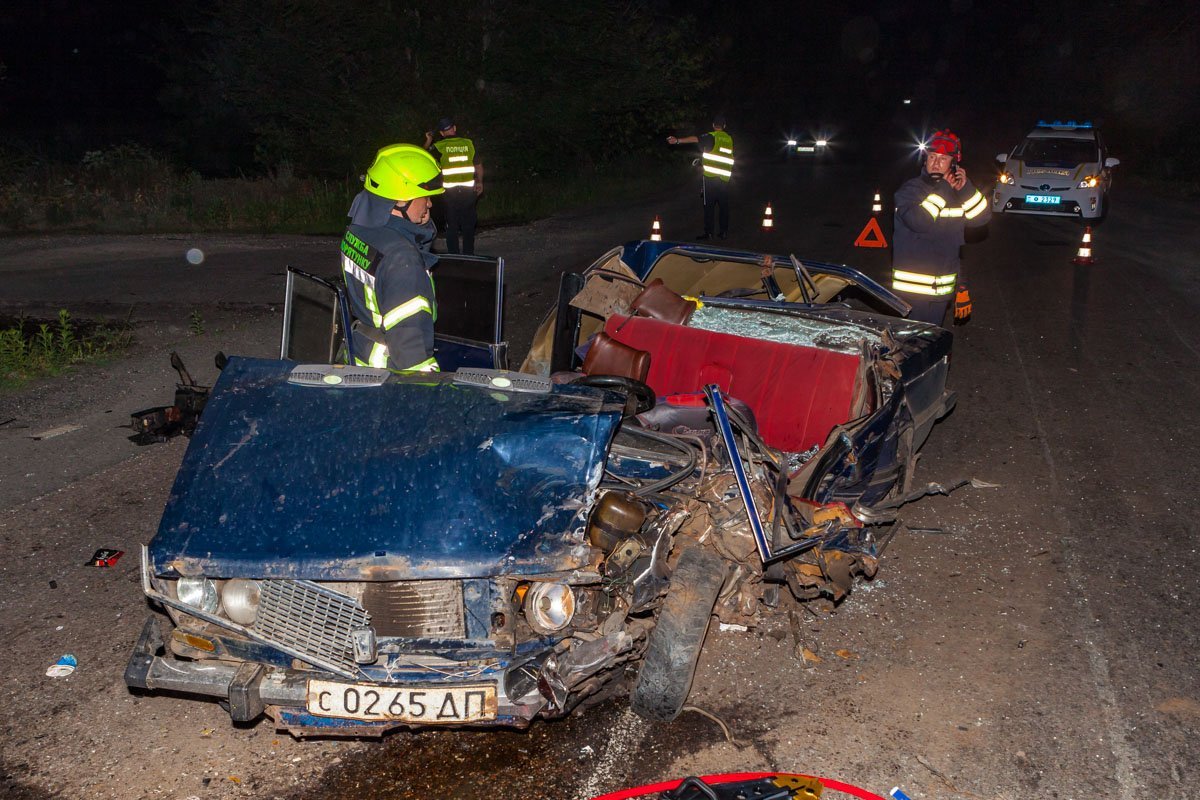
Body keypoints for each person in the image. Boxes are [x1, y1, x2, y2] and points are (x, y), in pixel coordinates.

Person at [341, 143, 444, 371]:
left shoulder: (358, 230)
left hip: (360, 353)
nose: (430, 203)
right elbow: (410, 352)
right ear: (399, 200)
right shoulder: (402, 259)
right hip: (388, 373)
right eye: (424, 196)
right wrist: (430, 392)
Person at [891, 128, 991, 325]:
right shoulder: (910, 190)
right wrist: (944, 190)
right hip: (912, 294)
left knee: (933, 347)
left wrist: (966, 189)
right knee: (912, 348)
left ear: (953, 164)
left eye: (943, 159)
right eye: (932, 157)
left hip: (941, 293)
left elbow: (980, 220)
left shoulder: (958, 193)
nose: (936, 163)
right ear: (925, 160)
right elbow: (919, 222)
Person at [667, 115, 734, 240]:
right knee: (723, 206)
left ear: (713, 125)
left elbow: (696, 138)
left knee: (708, 206)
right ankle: (723, 232)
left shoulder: (711, 136)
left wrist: (677, 141)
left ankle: (709, 233)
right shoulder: (729, 139)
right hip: (724, 178)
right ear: (724, 126)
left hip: (710, 178)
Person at [424, 117, 483, 255]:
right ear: (454, 128)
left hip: (449, 192)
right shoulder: (469, 143)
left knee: (452, 225)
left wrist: (428, 141)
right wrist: (480, 182)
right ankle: (469, 254)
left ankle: (454, 256)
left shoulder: (439, 146)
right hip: (469, 191)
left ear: (442, 133)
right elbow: (479, 165)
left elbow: (421, 157)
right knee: (468, 225)